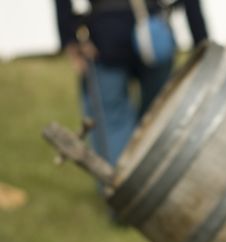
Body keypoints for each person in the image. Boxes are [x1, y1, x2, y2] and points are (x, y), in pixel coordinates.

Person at [55, 0, 208, 165]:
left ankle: (120, 183)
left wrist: (71, 38)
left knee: (116, 122)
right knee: (156, 114)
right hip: (152, 32)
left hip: (109, 35)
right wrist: (201, 40)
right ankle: (148, 177)